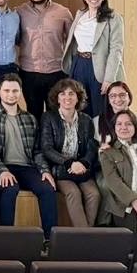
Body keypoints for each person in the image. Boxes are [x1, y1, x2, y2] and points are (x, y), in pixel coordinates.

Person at [0, 74, 59, 237]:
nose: (11, 94)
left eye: (15, 90)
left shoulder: (30, 118)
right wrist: (2, 170)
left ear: (20, 92)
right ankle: (6, 238)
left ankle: (50, 239)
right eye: (7, 90)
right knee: (10, 188)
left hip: (26, 167)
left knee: (48, 189)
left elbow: (37, 150)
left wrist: (45, 171)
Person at [40, 79, 101, 227]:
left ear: (78, 97)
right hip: (61, 169)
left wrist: (84, 163)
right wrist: (69, 163)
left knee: (94, 194)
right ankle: (85, 238)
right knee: (73, 193)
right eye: (63, 94)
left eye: (71, 94)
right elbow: (46, 148)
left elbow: (92, 146)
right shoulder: (48, 117)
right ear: (57, 98)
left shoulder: (86, 119)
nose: (67, 97)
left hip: (82, 169)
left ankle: (87, 233)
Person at [64, 0, 124, 118]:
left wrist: (109, 78)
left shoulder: (113, 18)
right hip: (79, 64)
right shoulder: (80, 15)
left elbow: (116, 49)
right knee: (79, 107)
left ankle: (101, 139)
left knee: (100, 109)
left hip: (99, 66)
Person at [16, 0, 73, 118]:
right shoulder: (19, 12)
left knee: (55, 114)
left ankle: (52, 140)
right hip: (29, 72)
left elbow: (73, 42)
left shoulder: (63, 12)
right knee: (33, 112)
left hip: (56, 72)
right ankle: (36, 140)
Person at [97, 82, 137, 148]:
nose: (118, 99)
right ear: (108, 100)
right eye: (113, 96)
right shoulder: (97, 121)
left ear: (129, 97)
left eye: (122, 95)